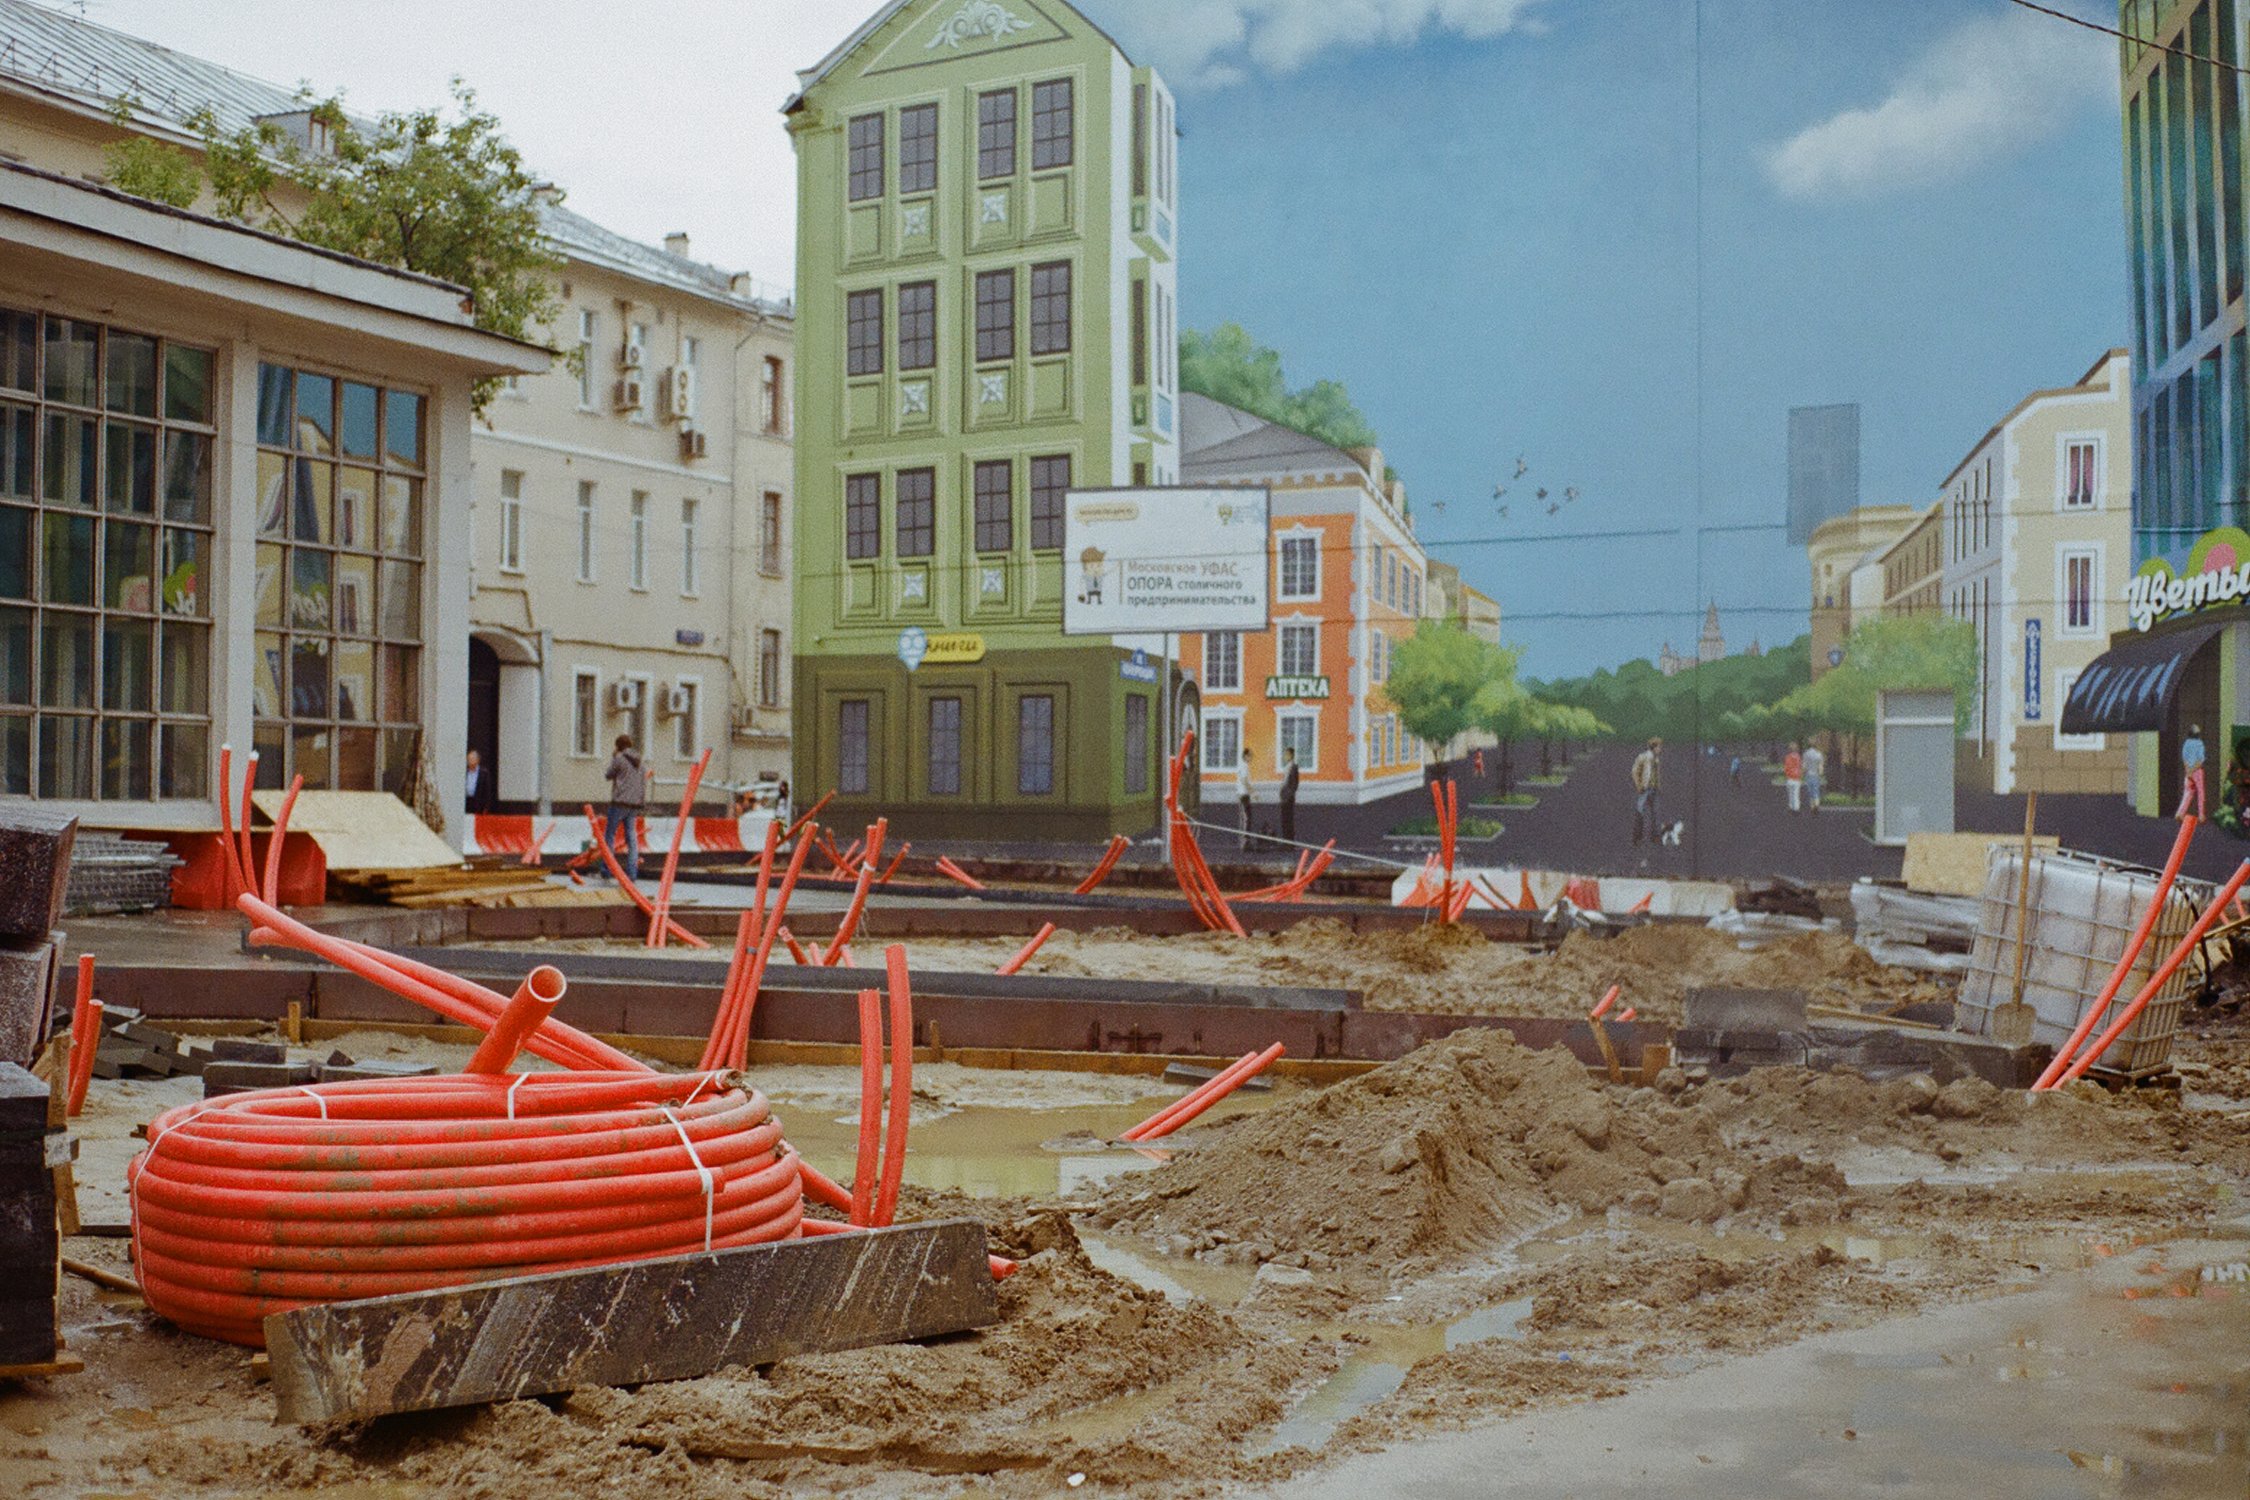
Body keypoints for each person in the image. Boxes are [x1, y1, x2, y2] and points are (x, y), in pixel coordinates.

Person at [603, 735, 649, 881]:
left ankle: (606, 869)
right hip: (634, 804)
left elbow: (608, 775)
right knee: (631, 838)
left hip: (619, 802)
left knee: (610, 836)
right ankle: (632, 873)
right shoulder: (641, 763)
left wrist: (614, 757)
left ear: (618, 746)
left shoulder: (619, 758)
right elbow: (643, 783)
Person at [1630, 737, 1662, 845]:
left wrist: (1658, 786)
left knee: (1655, 813)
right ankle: (1637, 837)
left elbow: (1656, 775)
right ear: (1654, 747)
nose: (1660, 749)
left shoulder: (1656, 759)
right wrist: (1639, 786)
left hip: (1654, 789)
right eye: (1658, 747)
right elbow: (1635, 771)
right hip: (1645, 789)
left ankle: (1655, 837)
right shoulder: (1643, 757)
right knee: (1640, 813)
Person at [2182, 725, 2209, 818]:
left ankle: (2181, 813)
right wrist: (2193, 770)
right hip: (2197, 771)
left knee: (2187, 793)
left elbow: (2184, 758)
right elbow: (2201, 760)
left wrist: (2188, 771)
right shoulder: (2199, 743)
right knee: (2200, 793)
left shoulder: (2186, 743)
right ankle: (2201, 815)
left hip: (2188, 771)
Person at [1279, 747, 1301, 846]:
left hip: (1288, 798)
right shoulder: (1287, 766)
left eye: (1286, 754)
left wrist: (1288, 795)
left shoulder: (1294, 767)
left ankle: (1289, 842)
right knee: (1284, 820)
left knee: (1288, 820)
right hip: (1284, 797)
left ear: (1291, 755)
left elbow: (1295, 784)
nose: (1284, 756)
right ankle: (1286, 841)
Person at [463, 748, 493, 815]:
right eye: (469, 759)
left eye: (473, 759)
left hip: (477, 804)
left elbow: (487, 791)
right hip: (466, 802)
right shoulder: (464, 772)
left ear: (478, 760)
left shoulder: (484, 773)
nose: (470, 761)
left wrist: (486, 807)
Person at [1236, 746, 1255, 851]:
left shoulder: (1242, 766)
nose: (1251, 758)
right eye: (1250, 756)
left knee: (1245, 818)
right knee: (1246, 819)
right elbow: (1244, 781)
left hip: (1243, 794)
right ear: (1245, 756)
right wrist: (1253, 793)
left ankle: (1244, 842)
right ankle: (1245, 843)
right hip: (1244, 795)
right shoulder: (1244, 766)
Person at [1801, 740, 1826, 814]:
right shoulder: (1819, 754)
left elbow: (1804, 766)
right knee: (1816, 791)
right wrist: (1821, 773)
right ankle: (1817, 805)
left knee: (1810, 792)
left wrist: (1802, 773)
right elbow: (1821, 766)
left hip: (1808, 775)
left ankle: (1812, 807)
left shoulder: (1806, 754)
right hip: (1816, 775)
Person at [1783, 742, 1805, 814]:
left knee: (1790, 794)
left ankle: (1791, 807)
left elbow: (1786, 767)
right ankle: (1796, 808)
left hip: (1790, 778)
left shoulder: (1788, 757)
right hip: (1797, 778)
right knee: (1796, 794)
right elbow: (1800, 767)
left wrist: (1786, 774)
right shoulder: (1798, 757)